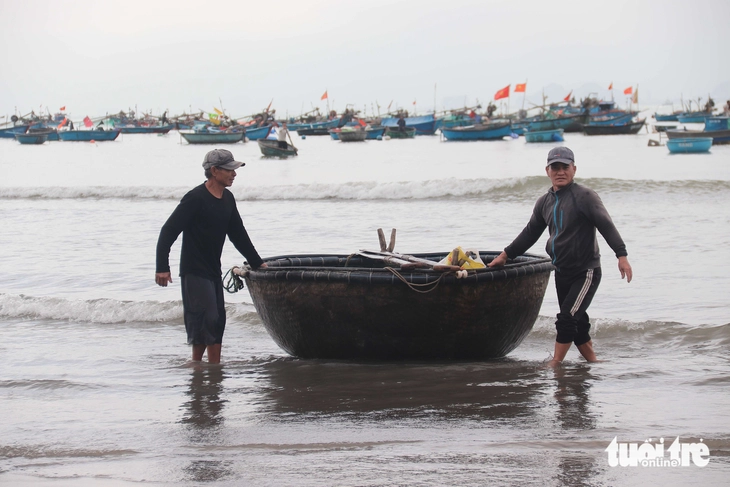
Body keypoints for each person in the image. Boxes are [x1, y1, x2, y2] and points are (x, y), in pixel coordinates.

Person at [488, 147, 632, 367]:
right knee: (577, 320)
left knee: (566, 317)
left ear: (574, 169)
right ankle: (594, 362)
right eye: (555, 167)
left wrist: (621, 255)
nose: (560, 172)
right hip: (561, 271)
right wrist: (505, 255)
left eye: (565, 167)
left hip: (586, 271)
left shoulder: (585, 196)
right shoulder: (544, 202)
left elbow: (606, 225)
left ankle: (556, 362)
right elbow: (530, 233)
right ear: (547, 171)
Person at [155, 149, 266, 364]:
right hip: (193, 270)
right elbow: (168, 231)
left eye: (235, 169)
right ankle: (198, 366)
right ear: (214, 171)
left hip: (213, 269)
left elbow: (238, 234)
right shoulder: (195, 198)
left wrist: (257, 263)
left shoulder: (228, 198)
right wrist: (162, 267)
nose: (234, 173)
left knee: (217, 321)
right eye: (229, 169)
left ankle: (211, 366)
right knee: (206, 318)